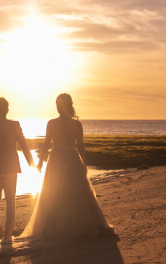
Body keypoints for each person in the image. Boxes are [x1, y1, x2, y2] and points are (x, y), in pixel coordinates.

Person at [19, 93, 112, 240]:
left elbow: (74, 146)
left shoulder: (63, 123)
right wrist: (40, 162)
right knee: (60, 192)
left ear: (64, 106)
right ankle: (63, 225)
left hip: (61, 159)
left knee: (67, 192)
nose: (57, 108)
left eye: (59, 105)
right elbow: (53, 145)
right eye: (57, 105)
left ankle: (65, 226)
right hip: (63, 159)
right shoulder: (68, 124)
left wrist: (83, 163)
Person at [0, 97, 35, 244]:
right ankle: (8, 233)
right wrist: (31, 163)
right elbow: (24, 145)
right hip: (11, 168)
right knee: (11, 201)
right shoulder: (14, 125)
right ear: (7, 110)